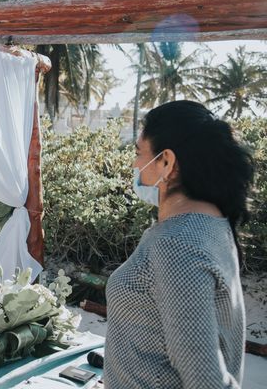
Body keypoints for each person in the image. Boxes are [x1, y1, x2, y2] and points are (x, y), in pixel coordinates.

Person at [104, 100, 254, 388]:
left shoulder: (177, 244)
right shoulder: (214, 223)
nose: (135, 164)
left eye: (139, 153)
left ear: (167, 162)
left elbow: (207, 381)